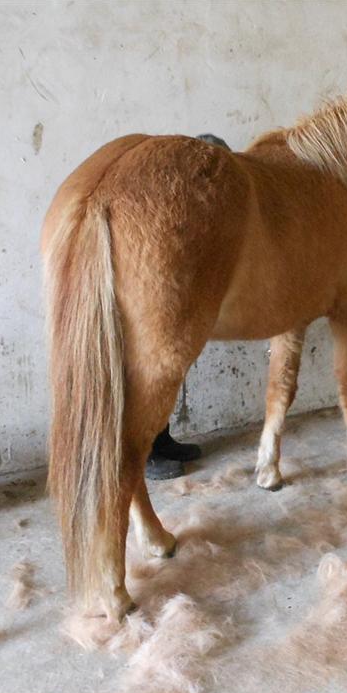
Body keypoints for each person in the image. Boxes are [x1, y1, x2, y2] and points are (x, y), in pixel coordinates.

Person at [144, 133, 231, 480]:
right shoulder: (167, 200)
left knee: (170, 371)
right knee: (150, 373)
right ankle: (144, 453)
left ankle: (160, 439)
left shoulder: (200, 204)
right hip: (151, 299)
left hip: (176, 298)